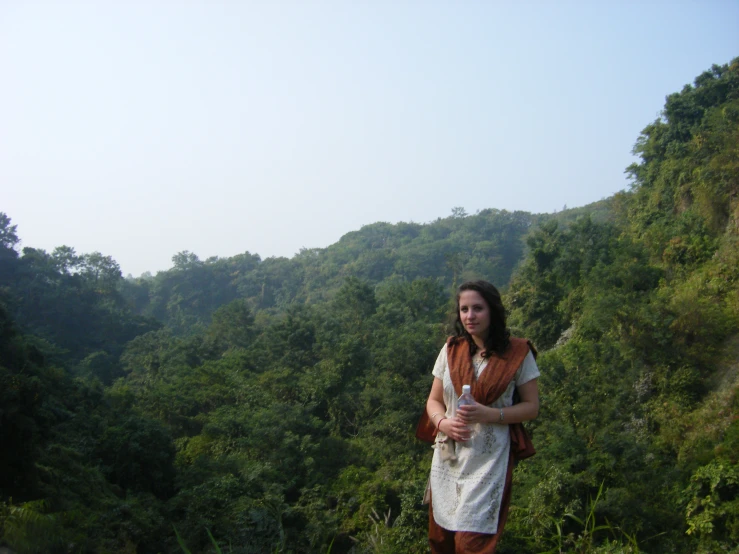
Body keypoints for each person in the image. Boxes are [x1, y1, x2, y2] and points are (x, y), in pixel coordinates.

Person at [424, 280, 540, 554]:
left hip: (488, 462)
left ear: (492, 311)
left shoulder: (517, 353)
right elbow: (434, 400)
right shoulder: (451, 350)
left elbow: (532, 407)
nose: (470, 316)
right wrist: (443, 422)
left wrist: (492, 413)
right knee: (442, 541)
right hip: (449, 457)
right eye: (464, 309)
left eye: (478, 308)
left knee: (471, 544)